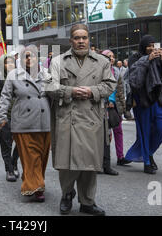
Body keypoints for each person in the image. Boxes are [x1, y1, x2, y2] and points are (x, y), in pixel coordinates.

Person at [45, 24, 116, 216]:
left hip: (91, 118)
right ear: (71, 41)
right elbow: (49, 87)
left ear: (89, 39)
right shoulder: (58, 61)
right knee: (66, 165)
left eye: (84, 37)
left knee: (89, 164)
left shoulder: (102, 61)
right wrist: (70, 91)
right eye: (77, 38)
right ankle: (67, 195)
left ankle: (87, 201)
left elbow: (110, 85)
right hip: (67, 118)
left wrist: (92, 91)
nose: (81, 41)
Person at [0, 45, 51, 202]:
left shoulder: (46, 74)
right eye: (26, 56)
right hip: (23, 122)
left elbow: (55, 95)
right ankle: (35, 186)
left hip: (44, 121)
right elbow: (5, 96)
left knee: (41, 156)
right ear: (21, 59)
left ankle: (34, 182)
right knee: (29, 157)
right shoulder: (14, 75)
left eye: (32, 56)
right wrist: (1, 116)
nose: (29, 59)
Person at [124, 35, 162, 174]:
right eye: (148, 45)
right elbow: (134, 77)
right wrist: (147, 60)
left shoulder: (157, 57)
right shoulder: (135, 58)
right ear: (143, 46)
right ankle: (147, 162)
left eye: (153, 45)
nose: (151, 48)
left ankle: (146, 153)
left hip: (157, 98)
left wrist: (161, 60)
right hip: (142, 99)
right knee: (144, 132)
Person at [0, 53, 20, 182]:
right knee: (5, 144)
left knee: (20, 143)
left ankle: (14, 163)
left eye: (12, 63)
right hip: (5, 117)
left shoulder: (20, 78)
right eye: (7, 63)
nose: (10, 65)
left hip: (20, 116)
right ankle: (9, 169)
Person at [101, 50, 127, 173]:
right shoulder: (100, 70)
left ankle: (120, 156)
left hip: (115, 106)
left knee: (118, 131)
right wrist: (107, 101)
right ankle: (103, 160)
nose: (111, 58)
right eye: (108, 56)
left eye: (112, 56)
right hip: (103, 106)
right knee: (106, 134)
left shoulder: (117, 72)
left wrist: (124, 108)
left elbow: (121, 91)